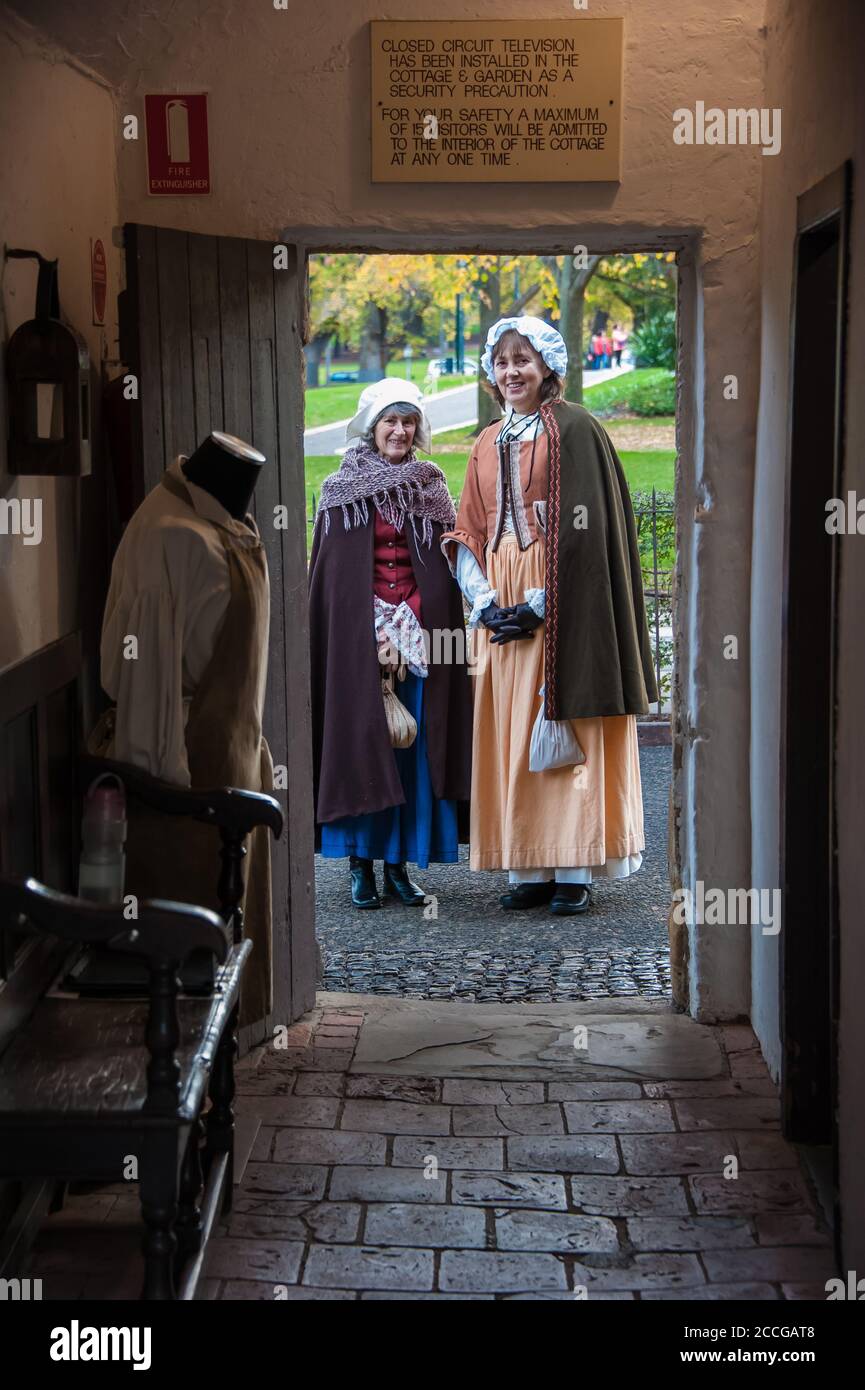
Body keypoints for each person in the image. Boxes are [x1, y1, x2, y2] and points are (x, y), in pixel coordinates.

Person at [440, 317, 658, 915]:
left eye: (523, 360)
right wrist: (484, 601)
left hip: (561, 592)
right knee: (511, 729)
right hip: (501, 592)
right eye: (502, 361)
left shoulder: (577, 429)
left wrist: (541, 603)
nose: (512, 371)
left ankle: (574, 865)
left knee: (567, 720)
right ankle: (529, 864)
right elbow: (468, 525)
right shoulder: (487, 440)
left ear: (547, 368)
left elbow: (586, 534)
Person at [309, 378, 472, 910]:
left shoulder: (431, 486)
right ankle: (360, 862)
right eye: (390, 422)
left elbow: (443, 570)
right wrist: (373, 632)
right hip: (364, 636)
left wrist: (418, 625)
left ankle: (400, 864)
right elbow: (332, 578)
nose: (400, 431)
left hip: (421, 636)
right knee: (365, 742)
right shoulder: (341, 489)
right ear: (372, 429)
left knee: (413, 749)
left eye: (408, 422)